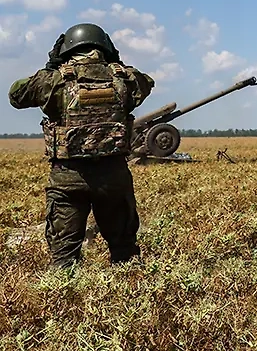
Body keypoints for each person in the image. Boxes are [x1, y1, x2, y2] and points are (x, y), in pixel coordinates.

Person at [8, 23, 155, 269]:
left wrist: (51, 66)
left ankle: (64, 301)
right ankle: (131, 296)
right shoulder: (125, 78)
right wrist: (115, 61)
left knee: (63, 258)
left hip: (68, 178)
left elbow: (16, 95)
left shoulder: (53, 80)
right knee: (125, 252)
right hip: (113, 177)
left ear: (65, 50)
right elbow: (146, 84)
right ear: (105, 47)